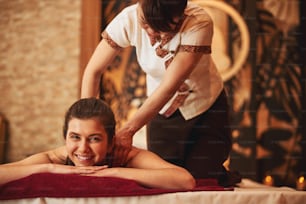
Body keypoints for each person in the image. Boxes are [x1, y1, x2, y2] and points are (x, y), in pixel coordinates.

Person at [81, 0, 240, 186]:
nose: (151, 35)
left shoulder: (199, 21)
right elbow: (93, 71)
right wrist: (86, 124)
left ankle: (222, 174)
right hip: (162, 109)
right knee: (166, 179)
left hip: (206, 104)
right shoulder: (128, 18)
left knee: (202, 181)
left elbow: (169, 86)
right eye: (145, 24)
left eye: (161, 28)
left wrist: (128, 131)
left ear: (179, 16)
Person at [0, 98, 195, 189]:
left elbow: (185, 180)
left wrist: (113, 172)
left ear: (111, 142)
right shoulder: (54, 159)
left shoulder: (126, 156)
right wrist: (48, 169)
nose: (83, 148)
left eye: (94, 139)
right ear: (65, 138)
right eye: (75, 137)